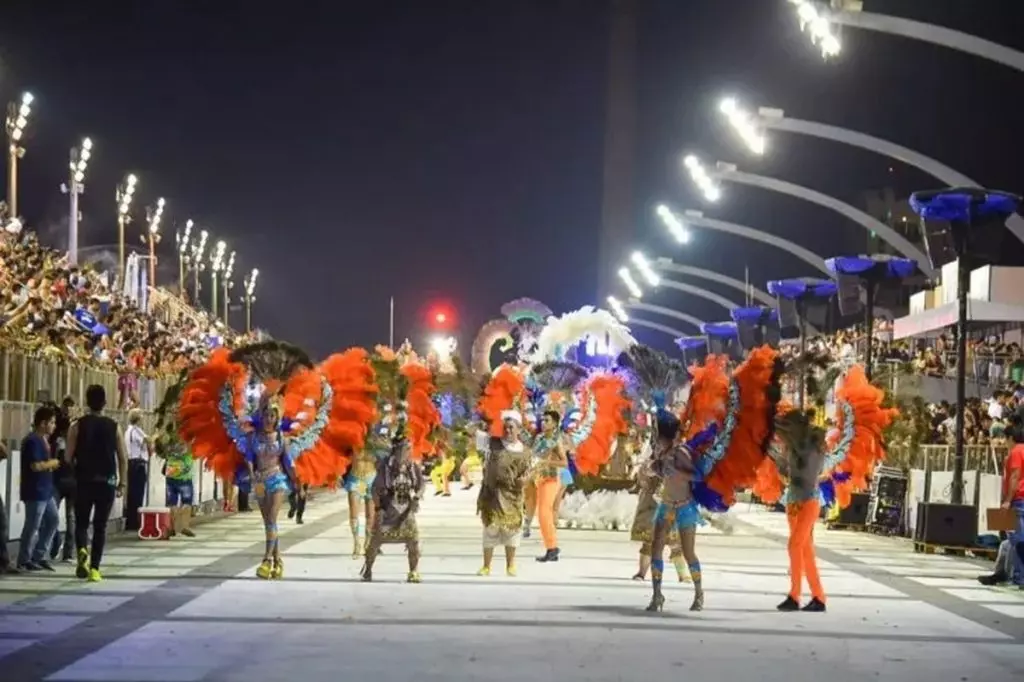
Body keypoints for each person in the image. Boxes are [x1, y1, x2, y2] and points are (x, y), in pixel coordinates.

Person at [65, 384, 128, 583]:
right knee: (100, 526)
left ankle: (82, 550)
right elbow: (123, 457)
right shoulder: (114, 426)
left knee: (81, 523)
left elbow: (67, 457)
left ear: (87, 402)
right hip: (106, 482)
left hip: (83, 481)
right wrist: (122, 483)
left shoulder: (76, 425)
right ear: (105, 403)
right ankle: (94, 569)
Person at [645, 411, 703, 613]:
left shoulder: (682, 452)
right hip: (667, 506)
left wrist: (678, 471)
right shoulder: (661, 453)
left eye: (658, 435)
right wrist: (653, 468)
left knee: (688, 552)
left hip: (685, 507)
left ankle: (699, 593)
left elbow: (697, 476)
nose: (656, 439)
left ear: (666, 435)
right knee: (656, 549)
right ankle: (657, 595)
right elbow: (659, 472)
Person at [360, 435, 425, 583]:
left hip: (406, 511)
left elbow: (421, 485)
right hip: (387, 510)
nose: (407, 452)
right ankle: (368, 569)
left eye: (409, 449)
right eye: (405, 449)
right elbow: (374, 489)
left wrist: (416, 497)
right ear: (396, 450)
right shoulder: (385, 468)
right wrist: (378, 509)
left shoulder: (412, 467)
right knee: (375, 541)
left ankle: (413, 571)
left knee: (414, 541)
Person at [476, 412, 532, 577]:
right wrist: (483, 421)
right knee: (490, 529)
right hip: (492, 494)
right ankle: (486, 566)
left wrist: (525, 480)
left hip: (513, 496)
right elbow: (473, 431)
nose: (508, 430)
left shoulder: (525, 451)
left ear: (519, 429)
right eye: (505, 427)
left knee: (511, 531)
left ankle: (510, 566)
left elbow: (530, 472)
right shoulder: (492, 443)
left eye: (511, 427)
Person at [17, 405, 60, 571]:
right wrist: (52, 463)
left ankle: (39, 555)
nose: (54, 426)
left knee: (53, 520)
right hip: (35, 490)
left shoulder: (44, 440)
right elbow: (35, 466)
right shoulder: (32, 441)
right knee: (32, 525)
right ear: (43, 423)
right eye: (52, 422)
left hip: (46, 490)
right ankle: (24, 559)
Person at [531, 409, 568, 563]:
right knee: (541, 514)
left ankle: (552, 548)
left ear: (554, 424)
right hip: (539, 477)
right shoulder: (539, 438)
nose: (543, 423)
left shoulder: (556, 440)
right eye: (542, 420)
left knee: (544, 513)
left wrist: (547, 462)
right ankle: (551, 548)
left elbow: (564, 462)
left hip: (551, 478)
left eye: (547, 421)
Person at [50, 397, 77, 563]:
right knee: (67, 517)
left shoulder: (58, 439)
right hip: (67, 480)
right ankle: (65, 550)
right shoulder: (75, 437)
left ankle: (60, 549)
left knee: (57, 516)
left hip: (62, 479)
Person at [344, 443, 380, 558]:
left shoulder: (375, 441)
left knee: (370, 515)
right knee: (354, 514)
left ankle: (367, 543)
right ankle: (356, 544)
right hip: (356, 480)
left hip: (371, 479)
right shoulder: (352, 439)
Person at [159, 430, 196, 538]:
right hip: (184, 477)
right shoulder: (188, 441)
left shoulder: (168, 441)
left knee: (172, 503)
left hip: (170, 475)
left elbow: (161, 451)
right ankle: (184, 526)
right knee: (187, 502)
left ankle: (172, 528)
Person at [1001, 422, 1024, 588]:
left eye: (1005, 439)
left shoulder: (1016, 452)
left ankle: (1019, 576)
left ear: (1010, 438)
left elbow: (1015, 476)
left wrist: (1008, 500)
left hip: (1018, 499)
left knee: (1017, 539)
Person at [123, 409, 152, 532]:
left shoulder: (130, 430)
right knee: (137, 493)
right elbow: (147, 440)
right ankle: (134, 521)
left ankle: (133, 520)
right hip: (137, 463)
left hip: (133, 463)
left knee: (134, 493)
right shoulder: (135, 430)